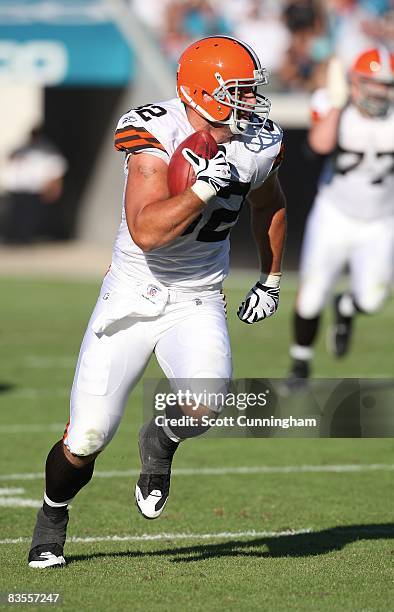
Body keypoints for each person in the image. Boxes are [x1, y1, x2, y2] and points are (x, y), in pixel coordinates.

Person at [28, 35, 286, 568]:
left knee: (207, 403)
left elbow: (270, 202)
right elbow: (147, 232)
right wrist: (201, 190)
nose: (250, 103)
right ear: (200, 92)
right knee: (88, 436)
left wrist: (271, 276)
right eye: (237, 92)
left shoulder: (259, 142)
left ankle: (161, 439)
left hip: (196, 296)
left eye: (250, 91)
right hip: (132, 293)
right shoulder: (154, 133)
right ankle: (53, 513)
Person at [287, 47, 394, 387]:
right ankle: (299, 365)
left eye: (388, 85)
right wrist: (337, 102)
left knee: (374, 300)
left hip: (381, 219)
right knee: (312, 295)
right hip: (334, 213)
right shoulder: (333, 105)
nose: (381, 92)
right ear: (355, 83)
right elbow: (319, 145)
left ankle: (346, 306)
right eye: (373, 83)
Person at [1, 127, 67, 244]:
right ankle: (13, 238)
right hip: (17, 189)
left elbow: (56, 169)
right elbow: (10, 158)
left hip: (34, 190)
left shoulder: (48, 150)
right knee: (15, 215)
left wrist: (54, 188)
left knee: (29, 216)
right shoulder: (23, 148)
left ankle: (25, 238)